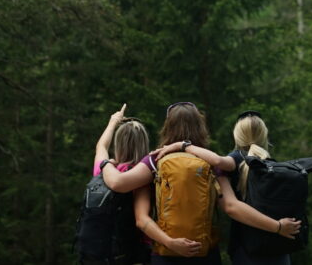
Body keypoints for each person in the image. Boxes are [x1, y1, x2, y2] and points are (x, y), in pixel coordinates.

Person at [100, 102, 300, 264]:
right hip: (204, 253)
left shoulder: (156, 159)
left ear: (167, 127)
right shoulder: (209, 161)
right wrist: (277, 226)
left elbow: (120, 185)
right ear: (200, 127)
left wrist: (104, 162)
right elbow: (231, 206)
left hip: (164, 253)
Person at [156, 110, 288, 265]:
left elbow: (217, 161)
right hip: (279, 246)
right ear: (264, 135)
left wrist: (183, 145)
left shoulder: (238, 158)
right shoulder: (272, 163)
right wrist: (279, 227)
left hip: (247, 246)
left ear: (237, 135)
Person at [87, 103, 152, 264]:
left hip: (104, 249)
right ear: (144, 142)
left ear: (119, 143)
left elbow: (101, 146)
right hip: (135, 250)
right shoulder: (142, 173)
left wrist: (113, 122)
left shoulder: (103, 170)